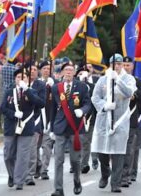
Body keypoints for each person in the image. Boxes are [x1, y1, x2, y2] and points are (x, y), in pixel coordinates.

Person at [91, 53, 136, 193]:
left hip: (120, 120)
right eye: (114, 64)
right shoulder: (102, 80)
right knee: (101, 152)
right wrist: (104, 105)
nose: (116, 66)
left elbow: (129, 93)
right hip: (103, 120)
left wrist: (118, 80)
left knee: (118, 152)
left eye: (119, 64)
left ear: (122, 65)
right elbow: (95, 97)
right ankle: (105, 174)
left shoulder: (128, 79)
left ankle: (115, 183)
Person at [50, 62, 91, 196]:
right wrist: (51, 128)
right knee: (58, 160)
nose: (68, 72)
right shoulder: (56, 88)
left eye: (70, 70)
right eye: (66, 70)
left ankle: (77, 180)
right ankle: (58, 189)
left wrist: (82, 110)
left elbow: (88, 103)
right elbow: (52, 109)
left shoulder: (82, 87)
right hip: (60, 127)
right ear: (62, 73)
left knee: (75, 160)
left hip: (75, 127)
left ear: (74, 73)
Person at [0, 68, 45, 190]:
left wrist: (27, 90)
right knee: (8, 154)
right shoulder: (9, 92)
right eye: (19, 77)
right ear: (15, 79)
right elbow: (2, 108)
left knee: (22, 155)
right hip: (11, 126)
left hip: (26, 128)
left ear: (27, 80)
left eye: (24, 77)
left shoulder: (31, 92)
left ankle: (19, 181)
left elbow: (41, 103)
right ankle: (12, 174)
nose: (21, 79)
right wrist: (13, 114)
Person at [120, 56, 141, 187]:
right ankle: (117, 174)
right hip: (117, 120)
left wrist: (135, 95)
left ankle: (125, 175)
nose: (125, 67)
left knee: (129, 148)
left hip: (131, 119)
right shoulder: (116, 80)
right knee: (117, 149)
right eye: (123, 65)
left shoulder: (137, 82)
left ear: (132, 66)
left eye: (128, 65)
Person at [25, 62, 47, 185]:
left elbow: (41, 102)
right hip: (20, 121)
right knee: (20, 150)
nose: (32, 71)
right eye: (30, 69)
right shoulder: (20, 82)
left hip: (35, 120)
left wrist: (29, 93)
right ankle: (20, 172)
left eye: (34, 69)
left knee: (32, 149)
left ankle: (29, 175)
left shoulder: (40, 85)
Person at [38, 60, 55, 180]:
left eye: (48, 68)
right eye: (44, 68)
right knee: (35, 147)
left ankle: (44, 169)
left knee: (47, 147)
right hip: (37, 120)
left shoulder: (55, 84)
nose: (46, 70)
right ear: (40, 70)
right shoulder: (36, 84)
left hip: (50, 119)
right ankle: (37, 166)